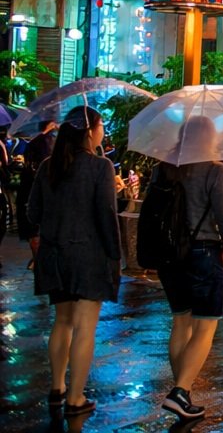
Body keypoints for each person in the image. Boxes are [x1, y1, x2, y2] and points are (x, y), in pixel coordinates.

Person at [26, 106, 119, 417]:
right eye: (100, 125)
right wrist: (115, 255)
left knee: (62, 322)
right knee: (85, 328)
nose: (103, 131)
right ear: (89, 131)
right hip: (88, 256)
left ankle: (57, 387)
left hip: (54, 254)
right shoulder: (100, 167)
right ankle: (76, 398)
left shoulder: (49, 167)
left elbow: (32, 213)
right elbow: (107, 217)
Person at [154, 115, 223, 421]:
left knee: (180, 322)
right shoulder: (215, 170)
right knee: (205, 326)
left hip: (170, 254)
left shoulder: (164, 168)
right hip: (203, 251)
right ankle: (180, 392)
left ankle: (182, 394)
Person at [17, 119, 57, 268]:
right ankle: (40, 261)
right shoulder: (44, 143)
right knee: (35, 229)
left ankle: (38, 260)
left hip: (29, 191)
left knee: (33, 229)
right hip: (35, 191)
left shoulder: (35, 144)